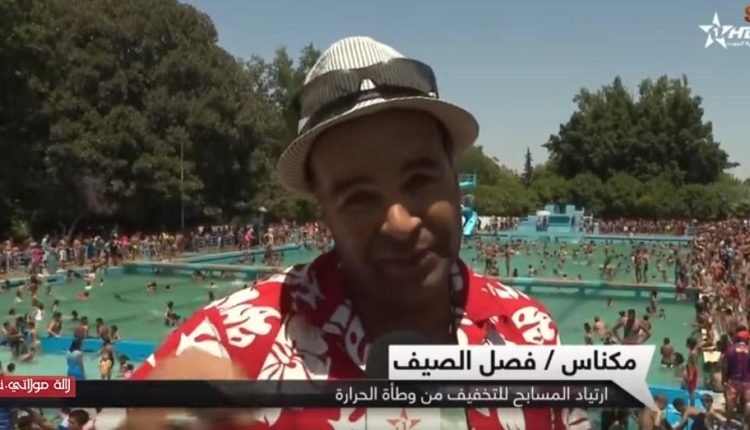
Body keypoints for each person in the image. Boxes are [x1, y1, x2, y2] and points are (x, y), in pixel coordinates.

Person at [125, 36, 589, 429]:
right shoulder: (231, 346)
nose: (400, 222)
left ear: (454, 177)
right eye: (359, 197)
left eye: (420, 180)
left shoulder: (528, 332)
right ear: (324, 209)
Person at [724, 330, 750, 425]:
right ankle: (745, 423)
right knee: (748, 402)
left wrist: (725, 378)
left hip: (733, 380)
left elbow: (726, 366)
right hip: (747, 381)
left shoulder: (730, 349)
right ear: (746, 339)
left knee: (730, 403)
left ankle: (728, 423)